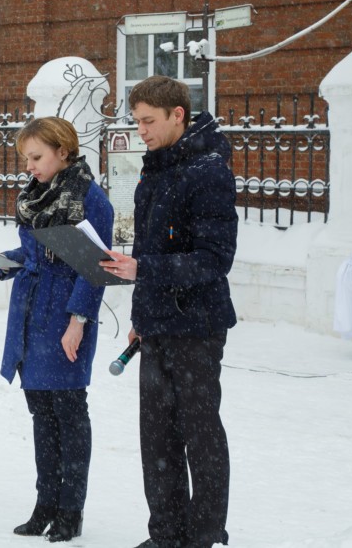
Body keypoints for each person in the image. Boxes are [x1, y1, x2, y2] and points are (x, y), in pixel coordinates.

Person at [99, 76, 237, 548]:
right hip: (157, 325)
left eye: (148, 121)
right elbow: (149, 250)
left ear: (178, 115)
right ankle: (166, 534)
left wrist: (145, 269)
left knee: (200, 435)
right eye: (136, 121)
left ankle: (203, 536)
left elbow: (215, 259)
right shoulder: (155, 169)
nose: (140, 130)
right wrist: (141, 316)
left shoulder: (209, 170)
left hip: (197, 327)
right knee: (157, 438)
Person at [0, 116, 113, 540]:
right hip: (31, 315)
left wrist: (78, 321)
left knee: (69, 413)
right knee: (41, 415)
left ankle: (70, 511)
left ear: (62, 152)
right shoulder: (36, 195)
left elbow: (97, 266)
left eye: (35, 157)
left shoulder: (91, 199)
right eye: (25, 158)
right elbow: (35, 254)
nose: (28, 166)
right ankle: (45, 504)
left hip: (65, 316)